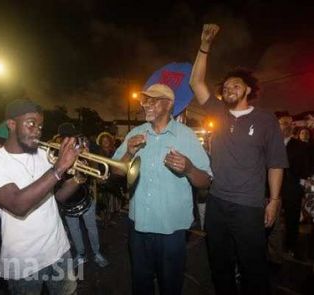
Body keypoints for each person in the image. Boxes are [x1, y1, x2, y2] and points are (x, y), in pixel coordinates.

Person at [190, 24, 288, 294]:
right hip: (217, 202)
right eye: (226, 86)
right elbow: (195, 82)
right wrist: (205, 46)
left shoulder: (266, 119)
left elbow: (276, 162)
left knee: (252, 267)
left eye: (236, 84)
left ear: (247, 90)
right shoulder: (219, 112)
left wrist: (275, 201)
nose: (229, 88)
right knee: (218, 263)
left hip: (249, 206)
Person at [112, 83, 212, 295]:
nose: (146, 104)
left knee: (171, 285)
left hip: (171, 230)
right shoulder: (135, 133)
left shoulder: (185, 135)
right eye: (145, 100)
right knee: (140, 284)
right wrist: (129, 153)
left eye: (153, 100)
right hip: (138, 225)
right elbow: (115, 172)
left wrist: (189, 168)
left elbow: (206, 181)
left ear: (168, 105)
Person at [0, 100, 82, 295]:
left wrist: (78, 179)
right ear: (11, 124)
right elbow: (17, 204)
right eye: (31, 123)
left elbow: (57, 197)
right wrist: (59, 169)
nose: (37, 130)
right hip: (24, 262)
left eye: (40, 126)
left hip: (59, 250)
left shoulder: (44, 154)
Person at [57, 122, 110, 268]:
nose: (70, 141)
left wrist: (87, 157)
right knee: (74, 229)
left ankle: (97, 253)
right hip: (68, 199)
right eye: (66, 138)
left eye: (72, 137)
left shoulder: (82, 147)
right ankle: (80, 254)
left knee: (91, 227)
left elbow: (93, 171)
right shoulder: (56, 152)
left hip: (85, 195)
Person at [276, 112, 312, 257]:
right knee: (272, 220)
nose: (289, 126)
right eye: (284, 123)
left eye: (291, 123)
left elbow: (306, 167)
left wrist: (302, 185)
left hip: (293, 188)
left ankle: (291, 246)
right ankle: (273, 248)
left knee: (292, 220)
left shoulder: (300, 146)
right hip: (274, 189)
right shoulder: (271, 143)